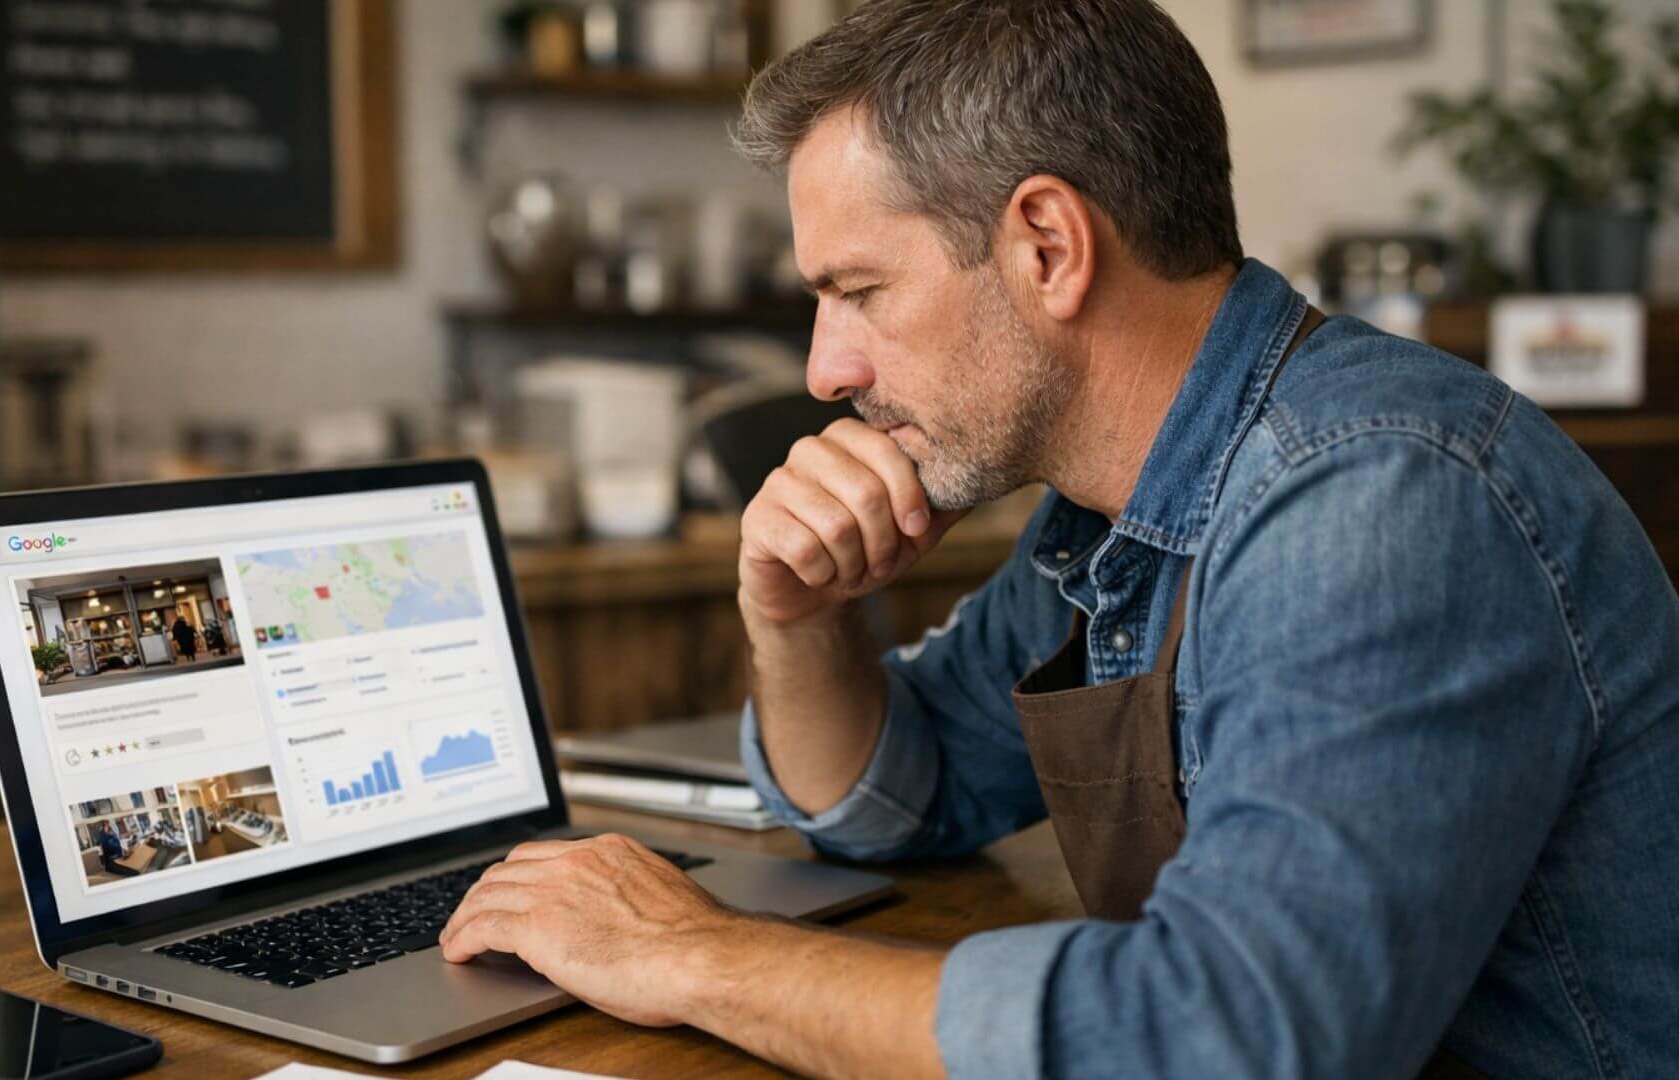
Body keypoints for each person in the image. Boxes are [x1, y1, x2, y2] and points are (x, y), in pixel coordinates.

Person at [437, 2, 1679, 1077]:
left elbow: (1234, 1044)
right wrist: (796, 619)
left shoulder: (1375, 504)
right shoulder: (1109, 506)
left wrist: (689, 958)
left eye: (857, 292)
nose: (825, 369)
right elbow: (898, 799)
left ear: (1047, 245)